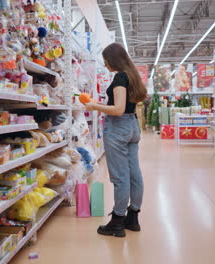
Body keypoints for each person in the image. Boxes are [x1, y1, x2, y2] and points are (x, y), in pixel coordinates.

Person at [84, 43, 147, 237]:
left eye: (106, 61)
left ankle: (117, 222)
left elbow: (118, 109)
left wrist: (95, 106)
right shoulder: (133, 75)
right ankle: (133, 217)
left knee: (120, 177)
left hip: (118, 127)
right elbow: (126, 106)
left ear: (113, 60)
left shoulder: (120, 77)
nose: (105, 65)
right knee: (134, 174)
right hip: (132, 126)